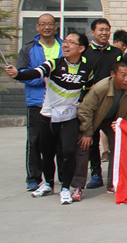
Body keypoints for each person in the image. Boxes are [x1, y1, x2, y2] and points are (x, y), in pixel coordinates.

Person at [5, 33, 93, 205]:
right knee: (47, 153)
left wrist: (80, 102)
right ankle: (48, 184)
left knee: (68, 153)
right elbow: (35, 73)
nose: (65, 45)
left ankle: (66, 188)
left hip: (69, 118)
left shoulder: (87, 69)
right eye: (65, 42)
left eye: (70, 42)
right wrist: (17, 74)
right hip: (48, 116)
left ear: (81, 48)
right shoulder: (53, 64)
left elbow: (89, 88)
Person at [72, 60, 127, 199]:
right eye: (123, 75)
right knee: (84, 147)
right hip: (93, 118)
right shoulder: (100, 88)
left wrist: (120, 124)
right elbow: (85, 110)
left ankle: (113, 183)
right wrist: (87, 133)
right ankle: (77, 186)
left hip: (112, 120)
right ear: (113, 75)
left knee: (118, 146)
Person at [15, 13, 62, 192]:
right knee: (35, 141)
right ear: (37, 27)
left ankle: (61, 178)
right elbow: (21, 74)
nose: (46, 27)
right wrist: (42, 79)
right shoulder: (28, 49)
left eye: (50, 24)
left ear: (55, 26)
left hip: (60, 102)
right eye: (43, 24)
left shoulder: (64, 46)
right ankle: (34, 178)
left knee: (61, 143)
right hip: (37, 102)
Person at [82, 18, 123, 188]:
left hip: (112, 105)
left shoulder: (116, 53)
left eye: (107, 30)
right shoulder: (85, 53)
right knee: (91, 142)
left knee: (115, 142)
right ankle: (96, 174)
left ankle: (113, 179)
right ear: (93, 32)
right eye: (101, 30)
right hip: (91, 105)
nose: (104, 33)